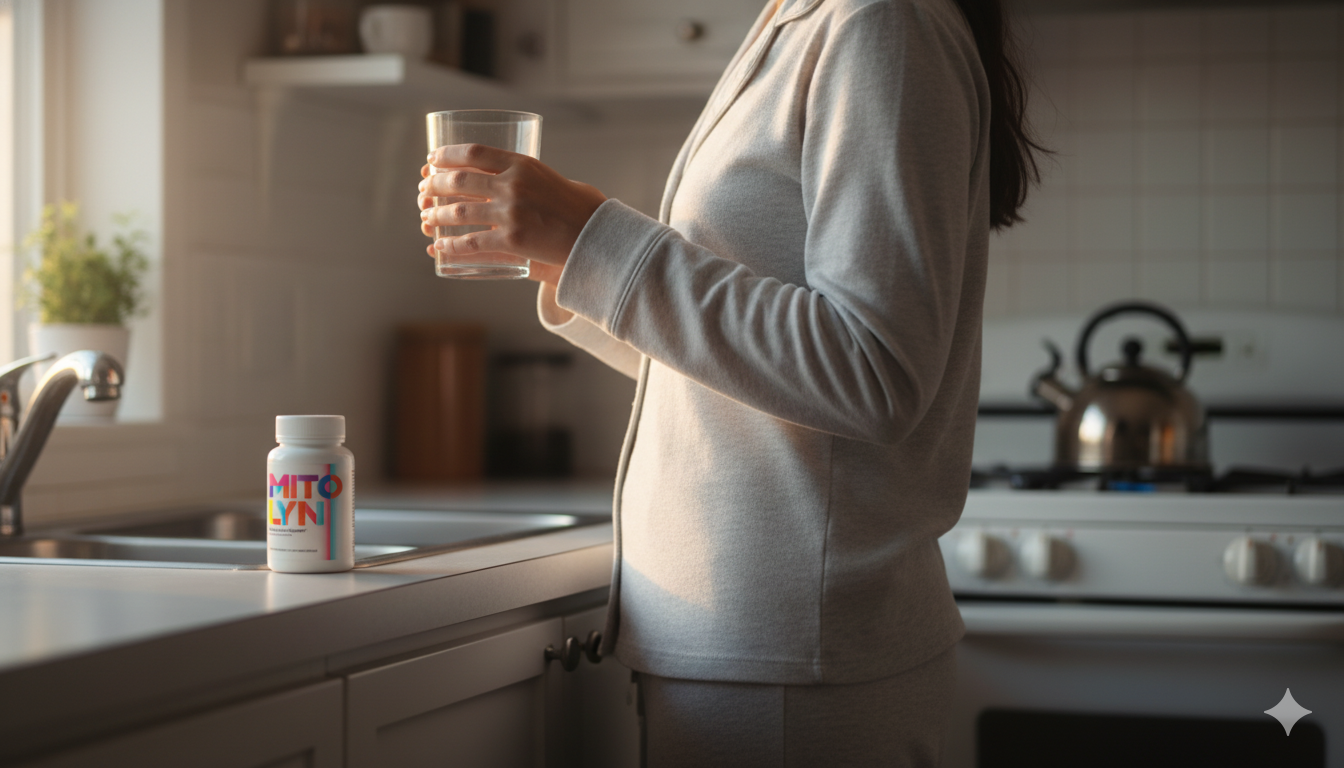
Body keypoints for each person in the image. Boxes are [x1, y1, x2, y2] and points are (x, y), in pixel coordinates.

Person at [417, 0, 1043, 762]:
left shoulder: (883, 21)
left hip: (792, 662)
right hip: (757, 653)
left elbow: (874, 369)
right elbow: (772, 382)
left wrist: (600, 242)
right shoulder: (807, 15)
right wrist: (576, 263)